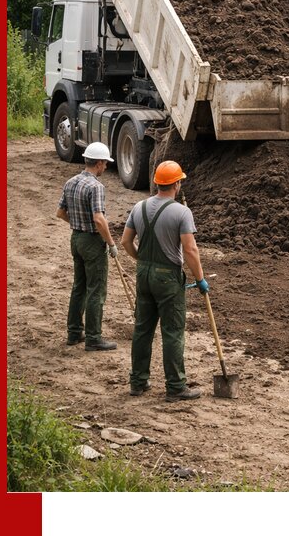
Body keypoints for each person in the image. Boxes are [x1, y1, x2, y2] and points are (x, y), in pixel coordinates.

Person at [121, 160, 209, 402]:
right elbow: (190, 250)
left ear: (157, 183)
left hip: (143, 275)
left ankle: (137, 382)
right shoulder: (182, 212)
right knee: (172, 332)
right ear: (176, 184)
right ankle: (175, 386)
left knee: (142, 329)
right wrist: (200, 279)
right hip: (168, 278)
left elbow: (126, 242)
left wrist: (143, 260)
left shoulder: (138, 207)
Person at [56, 142, 118, 351]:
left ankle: (74, 333)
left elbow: (61, 213)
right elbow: (99, 219)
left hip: (76, 239)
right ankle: (93, 337)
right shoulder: (96, 187)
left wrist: (78, 225)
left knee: (79, 287)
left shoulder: (71, 182)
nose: (106, 167)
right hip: (92, 242)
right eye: (105, 163)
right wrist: (110, 243)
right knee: (96, 290)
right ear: (99, 163)